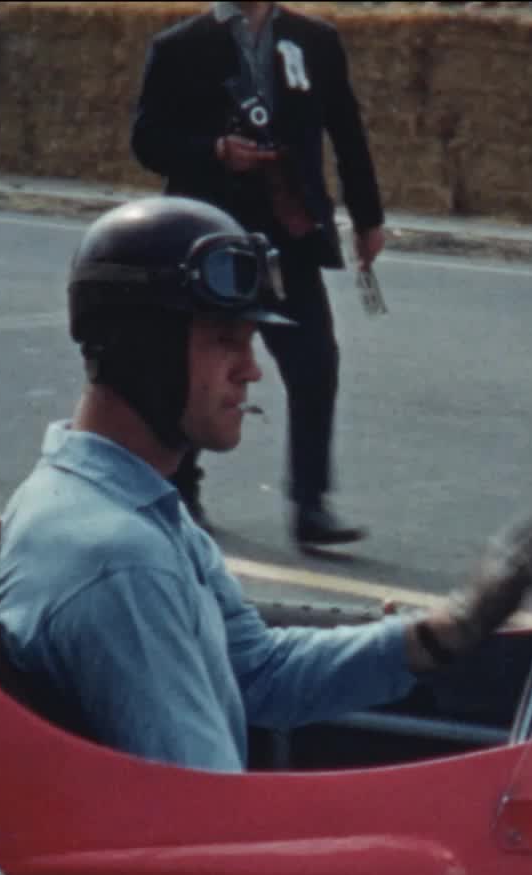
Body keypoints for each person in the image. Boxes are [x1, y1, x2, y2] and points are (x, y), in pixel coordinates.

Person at [0, 197, 532, 773]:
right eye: (225, 340)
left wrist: (447, 630)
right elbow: (202, 817)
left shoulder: (116, 499)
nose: (252, 368)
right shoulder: (120, 562)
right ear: (143, 346)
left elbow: (260, 672)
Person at [130, 1, 385, 546]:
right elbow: (147, 141)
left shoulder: (315, 40)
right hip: (211, 233)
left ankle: (310, 504)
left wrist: (368, 219)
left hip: (288, 230)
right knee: (198, 364)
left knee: (315, 362)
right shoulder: (180, 45)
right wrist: (216, 151)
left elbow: (346, 129)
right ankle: (184, 490)